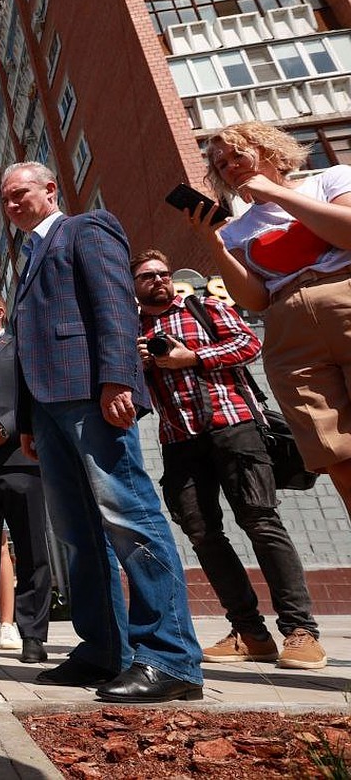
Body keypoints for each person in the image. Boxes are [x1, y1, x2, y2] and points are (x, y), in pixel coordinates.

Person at [1, 161, 204, 704]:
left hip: (92, 393)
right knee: (77, 533)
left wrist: (118, 377)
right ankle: (101, 650)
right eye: (6, 198)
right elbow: (28, 344)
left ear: (50, 190)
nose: (12, 204)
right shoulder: (25, 262)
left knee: (129, 517)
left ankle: (170, 657)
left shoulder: (86, 227)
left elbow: (114, 303)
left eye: (20, 193)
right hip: (46, 409)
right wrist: (26, 420)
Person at [133, 248, 325, 670]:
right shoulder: (134, 331)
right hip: (179, 440)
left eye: (163, 273)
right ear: (134, 286)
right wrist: (141, 363)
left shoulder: (205, 306)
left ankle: (300, 631)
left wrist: (193, 356)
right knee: (202, 533)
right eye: (147, 276)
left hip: (234, 427)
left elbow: (248, 343)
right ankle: (250, 632)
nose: (158, 280)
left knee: (260, 521)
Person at [193, 121, 351, 514]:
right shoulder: (238, 230)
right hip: (290, 336)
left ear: (269, 151)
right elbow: (255, 299)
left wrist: (276, 195)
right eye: (221, 164)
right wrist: (214, 242)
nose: (230, 167)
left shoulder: (330, 179)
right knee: (334, 453)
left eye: (237, 155)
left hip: (344, 300)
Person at [0, 290, 51, 665]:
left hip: (19, 460)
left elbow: (33, 395)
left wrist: (4, 428)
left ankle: (33, 635)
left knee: (32, 550)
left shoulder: (20, 349)